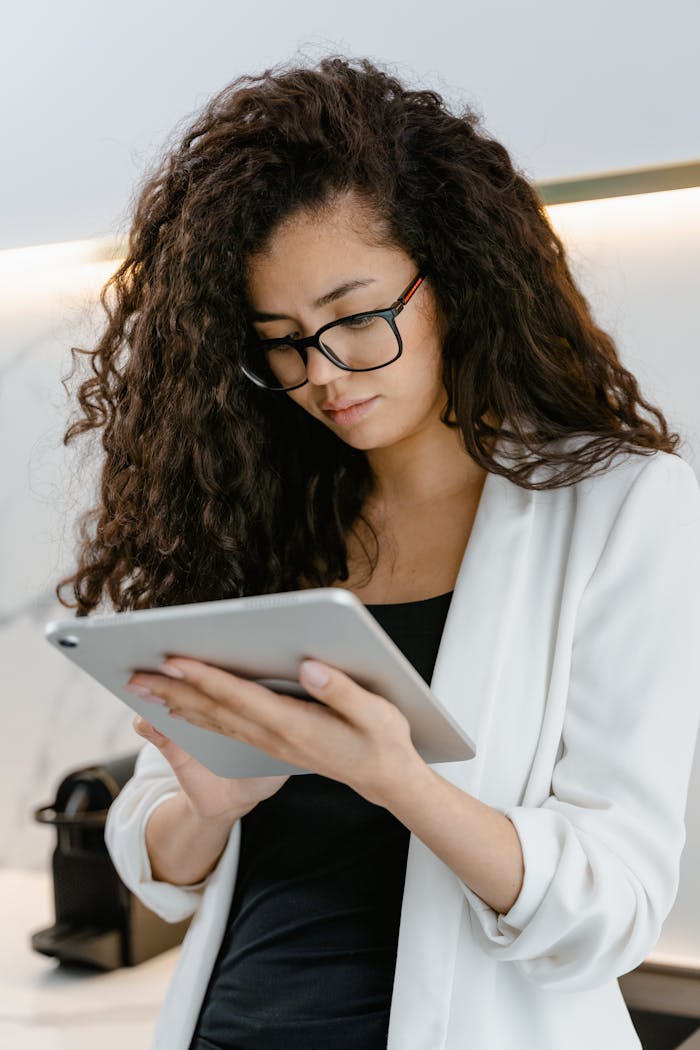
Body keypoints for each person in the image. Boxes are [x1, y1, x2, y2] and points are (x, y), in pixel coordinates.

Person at [56, 55, 700, 1050]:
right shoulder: (267, 510)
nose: (323, 373)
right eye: (280, 339)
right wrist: (214, 805)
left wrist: (396, 778)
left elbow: (610, 906)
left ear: (455, 272)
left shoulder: (619, 507)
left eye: (357, 319)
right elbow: (161, 862)